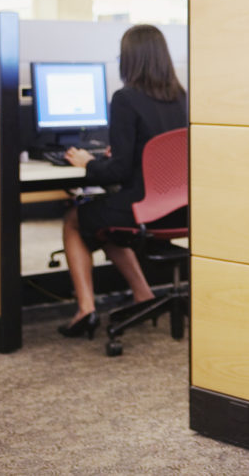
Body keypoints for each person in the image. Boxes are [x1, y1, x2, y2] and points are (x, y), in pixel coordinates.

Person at [57, 24, 187, 339]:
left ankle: (86, 308)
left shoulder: (126, 98)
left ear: (130, 59)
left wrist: (89, 163)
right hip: (181, 210)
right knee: (104, 217)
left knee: (76, 217)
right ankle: (143, 295)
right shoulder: (181, 97)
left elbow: (118, 173)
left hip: (143, 209)